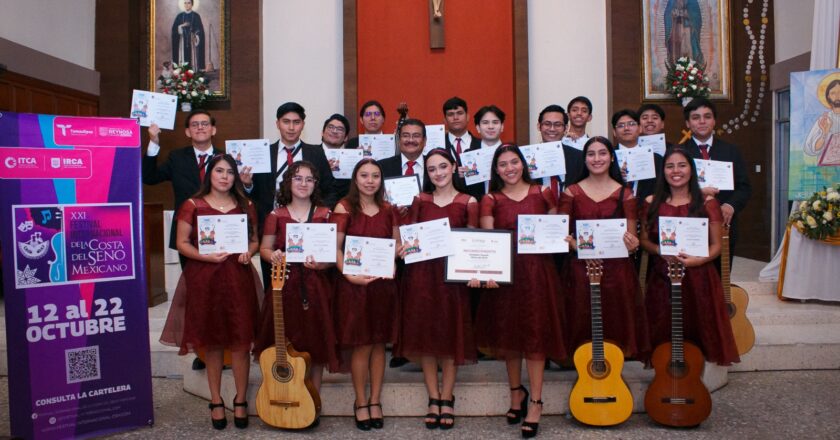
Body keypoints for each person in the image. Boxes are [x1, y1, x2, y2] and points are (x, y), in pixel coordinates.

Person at [159, 154, 261, 430]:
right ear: (209, 174)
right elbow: (182, 243)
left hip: (238, 278)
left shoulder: (245, 204)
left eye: (230, 172)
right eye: (219, 171)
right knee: (213, 341)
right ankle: (216, 400)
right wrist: (207, 257)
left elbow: (254, 241)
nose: (225, 176)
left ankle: (240, 398)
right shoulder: (192, 205)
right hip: (205, 278)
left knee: (241, 341)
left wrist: (247, 253)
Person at [475, 144, 567, 438]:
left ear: (523, 164)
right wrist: (489, 271)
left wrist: (561, 236)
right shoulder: (490, 199)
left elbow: (556, 231)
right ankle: (516, 392)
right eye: (503, 164)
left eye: (514, 162)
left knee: (536, 336)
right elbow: (488, 240)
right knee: (510, 335)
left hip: (538, 273)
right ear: (496, 170)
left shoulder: (543, 193)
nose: (509, 168)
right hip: (506, 275)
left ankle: (536, 401)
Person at [395, 148, 479, 430]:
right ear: (426, 174)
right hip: (421, 276)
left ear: (454, 167)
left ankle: (447, 396)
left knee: (450, 335)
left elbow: (475, 242)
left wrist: (476, 271)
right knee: (427, 337)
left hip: (453, 278)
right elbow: (409, 233)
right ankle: (433, 397)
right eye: (432, 169)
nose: (438, 173)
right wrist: (403, 246)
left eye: (443, 166)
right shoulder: (420, 199)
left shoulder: (469, 201)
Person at [143, 110, 230, 371]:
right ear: (187, 132)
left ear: (213, 129)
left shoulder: (226, 158)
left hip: (223, 232)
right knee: (197, 293)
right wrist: (153, 142)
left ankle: (224, 347)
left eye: (205, 124)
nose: (200, 128)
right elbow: (149, 178)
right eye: (195, 125)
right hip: (188, 235)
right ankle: (201, 349)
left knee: (223, 293)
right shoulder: (177, 157)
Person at [640, 147, 740, 366]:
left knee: (699, 328)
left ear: (692, 170)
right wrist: (660, 251)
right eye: (670, 166)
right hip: (662, 279)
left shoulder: (707, 203)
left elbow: (716, 246)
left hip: (699, 280)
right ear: (663, 171)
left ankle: (695, 379)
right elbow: (645, 241)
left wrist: (699, 260)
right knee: (663, 329)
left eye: (682, 165)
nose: (676, 171)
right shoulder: (651, 202)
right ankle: (666, 376)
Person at [558, 136, 650, 365]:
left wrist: (633, 244)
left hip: (616, 270)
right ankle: (581, 362)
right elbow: (561, 232)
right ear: (584, 158)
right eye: (591, 154)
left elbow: (632, 236)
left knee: (615, 316)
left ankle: (612, 362)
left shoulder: (625, 194)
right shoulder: (571, 192)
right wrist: (572, 244)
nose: (597, 158)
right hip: (581, 267)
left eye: (602, 153)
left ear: (611, 158)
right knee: (580, 314)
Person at [254, 161, 339, 391]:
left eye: (309, 179)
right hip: (285, 286)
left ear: (315, 184)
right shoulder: (276, 215)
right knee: (285, 341)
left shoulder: (325, 214)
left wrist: (323, 264)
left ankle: (313, 398)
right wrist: (274, 256)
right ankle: (286, 395)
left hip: (317, 286)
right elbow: (264, 249)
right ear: (288, 183)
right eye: (298, 178)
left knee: (316, 343)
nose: (303, 183)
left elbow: (333, 254)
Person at [332, 159, 400, 431]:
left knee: (379, 344)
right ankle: (360, 402)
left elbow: (395, 245)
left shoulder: (388, 209)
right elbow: (335, 248)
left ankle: (375, 400)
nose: (370, 180)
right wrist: (348, 274)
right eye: (364, 175)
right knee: (361, 345)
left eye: (375, 175)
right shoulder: (344, 207)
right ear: (355, 178)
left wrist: (395, 258)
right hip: (356, 286)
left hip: (382, 286)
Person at [248, 102, 336, 287]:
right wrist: (247, 184)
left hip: (309, 227)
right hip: (272, 229)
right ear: (277, 123)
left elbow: (329, 189)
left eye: (296, 122)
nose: (291, 127)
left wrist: (317, 218)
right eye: (286, 121)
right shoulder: (263, 153)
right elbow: (254, 194)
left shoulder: (316, 152)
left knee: (312, 286)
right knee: (274, 288)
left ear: (303, 125)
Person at [679, 98, 751, 265]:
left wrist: (730, 206)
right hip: (690, 223)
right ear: (688, 123)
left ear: (714, 121)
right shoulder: (679, 152)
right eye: (696, 117)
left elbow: (744, 187)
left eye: (707, 116)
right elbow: (669, 189)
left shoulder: (731, 151)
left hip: (725, 226)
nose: (702, 121)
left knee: (720, 279)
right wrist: (697, 193)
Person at [611, 109, 663, 201]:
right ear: (614, 132)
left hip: (647, 209)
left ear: (640, 128)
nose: (626, 128)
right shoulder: (607, 157)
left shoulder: (656, 159)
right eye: (621, 125)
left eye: (631, 124)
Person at [536, 104, 583, 201]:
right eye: (547, 124)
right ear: (539, 126)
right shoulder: (527, 157)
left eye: (558, 125)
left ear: (566, 128)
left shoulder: (579, 157)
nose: (552, 129)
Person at [462, 105, 507, 200]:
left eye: (495, 122)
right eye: (485, 123)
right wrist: (459, 176)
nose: (491, 127)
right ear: (478, 128)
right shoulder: (468, 155)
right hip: (476, 206)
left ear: (502, 126)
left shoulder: (512, 153)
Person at [321, 113, 353, 202]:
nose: (334, 131)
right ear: (322, 133)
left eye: (340, 129)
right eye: (330, 127)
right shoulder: (310, 153)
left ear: (346, 137)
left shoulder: (350, 158)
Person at [171, 0, 205, 70]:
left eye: (189, 3)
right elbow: (174, 29)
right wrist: (182, 26)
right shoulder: (179, 16)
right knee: (183, 58)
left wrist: (196, 36)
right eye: (185, 3)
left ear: (192, 4)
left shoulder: (196, 16)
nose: (187, 5)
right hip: (182, 42)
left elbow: (199, 29)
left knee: (191, 58)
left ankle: (194, 72)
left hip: (192, 41)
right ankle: (182, 72)